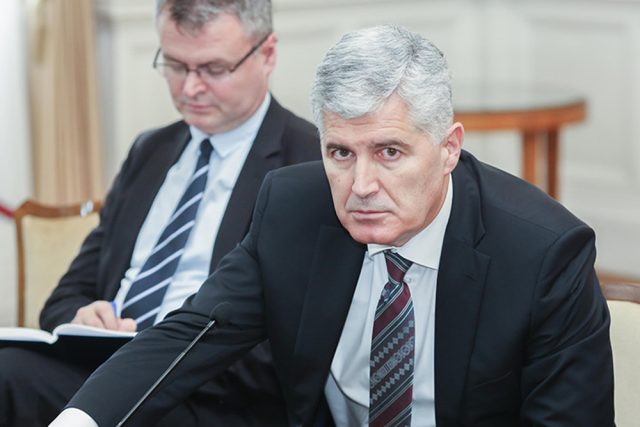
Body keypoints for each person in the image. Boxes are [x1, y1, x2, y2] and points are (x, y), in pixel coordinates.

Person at [51, 24, 613, 427]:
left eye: (389, 152)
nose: (360, 185)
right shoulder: (293, 209)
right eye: (340, 153)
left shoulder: (544, 254)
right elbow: (188, 337)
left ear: (449, 148)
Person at [0, 0, 319, 426]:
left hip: (214, 397)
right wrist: (82, 317)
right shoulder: (149, 151)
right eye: (175, 65)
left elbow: (294, 341)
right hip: (103, 371)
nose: (190, 88)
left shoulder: (307, 163)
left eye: (213, 68)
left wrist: (151, 353)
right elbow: (67, 294)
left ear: (267, 54)